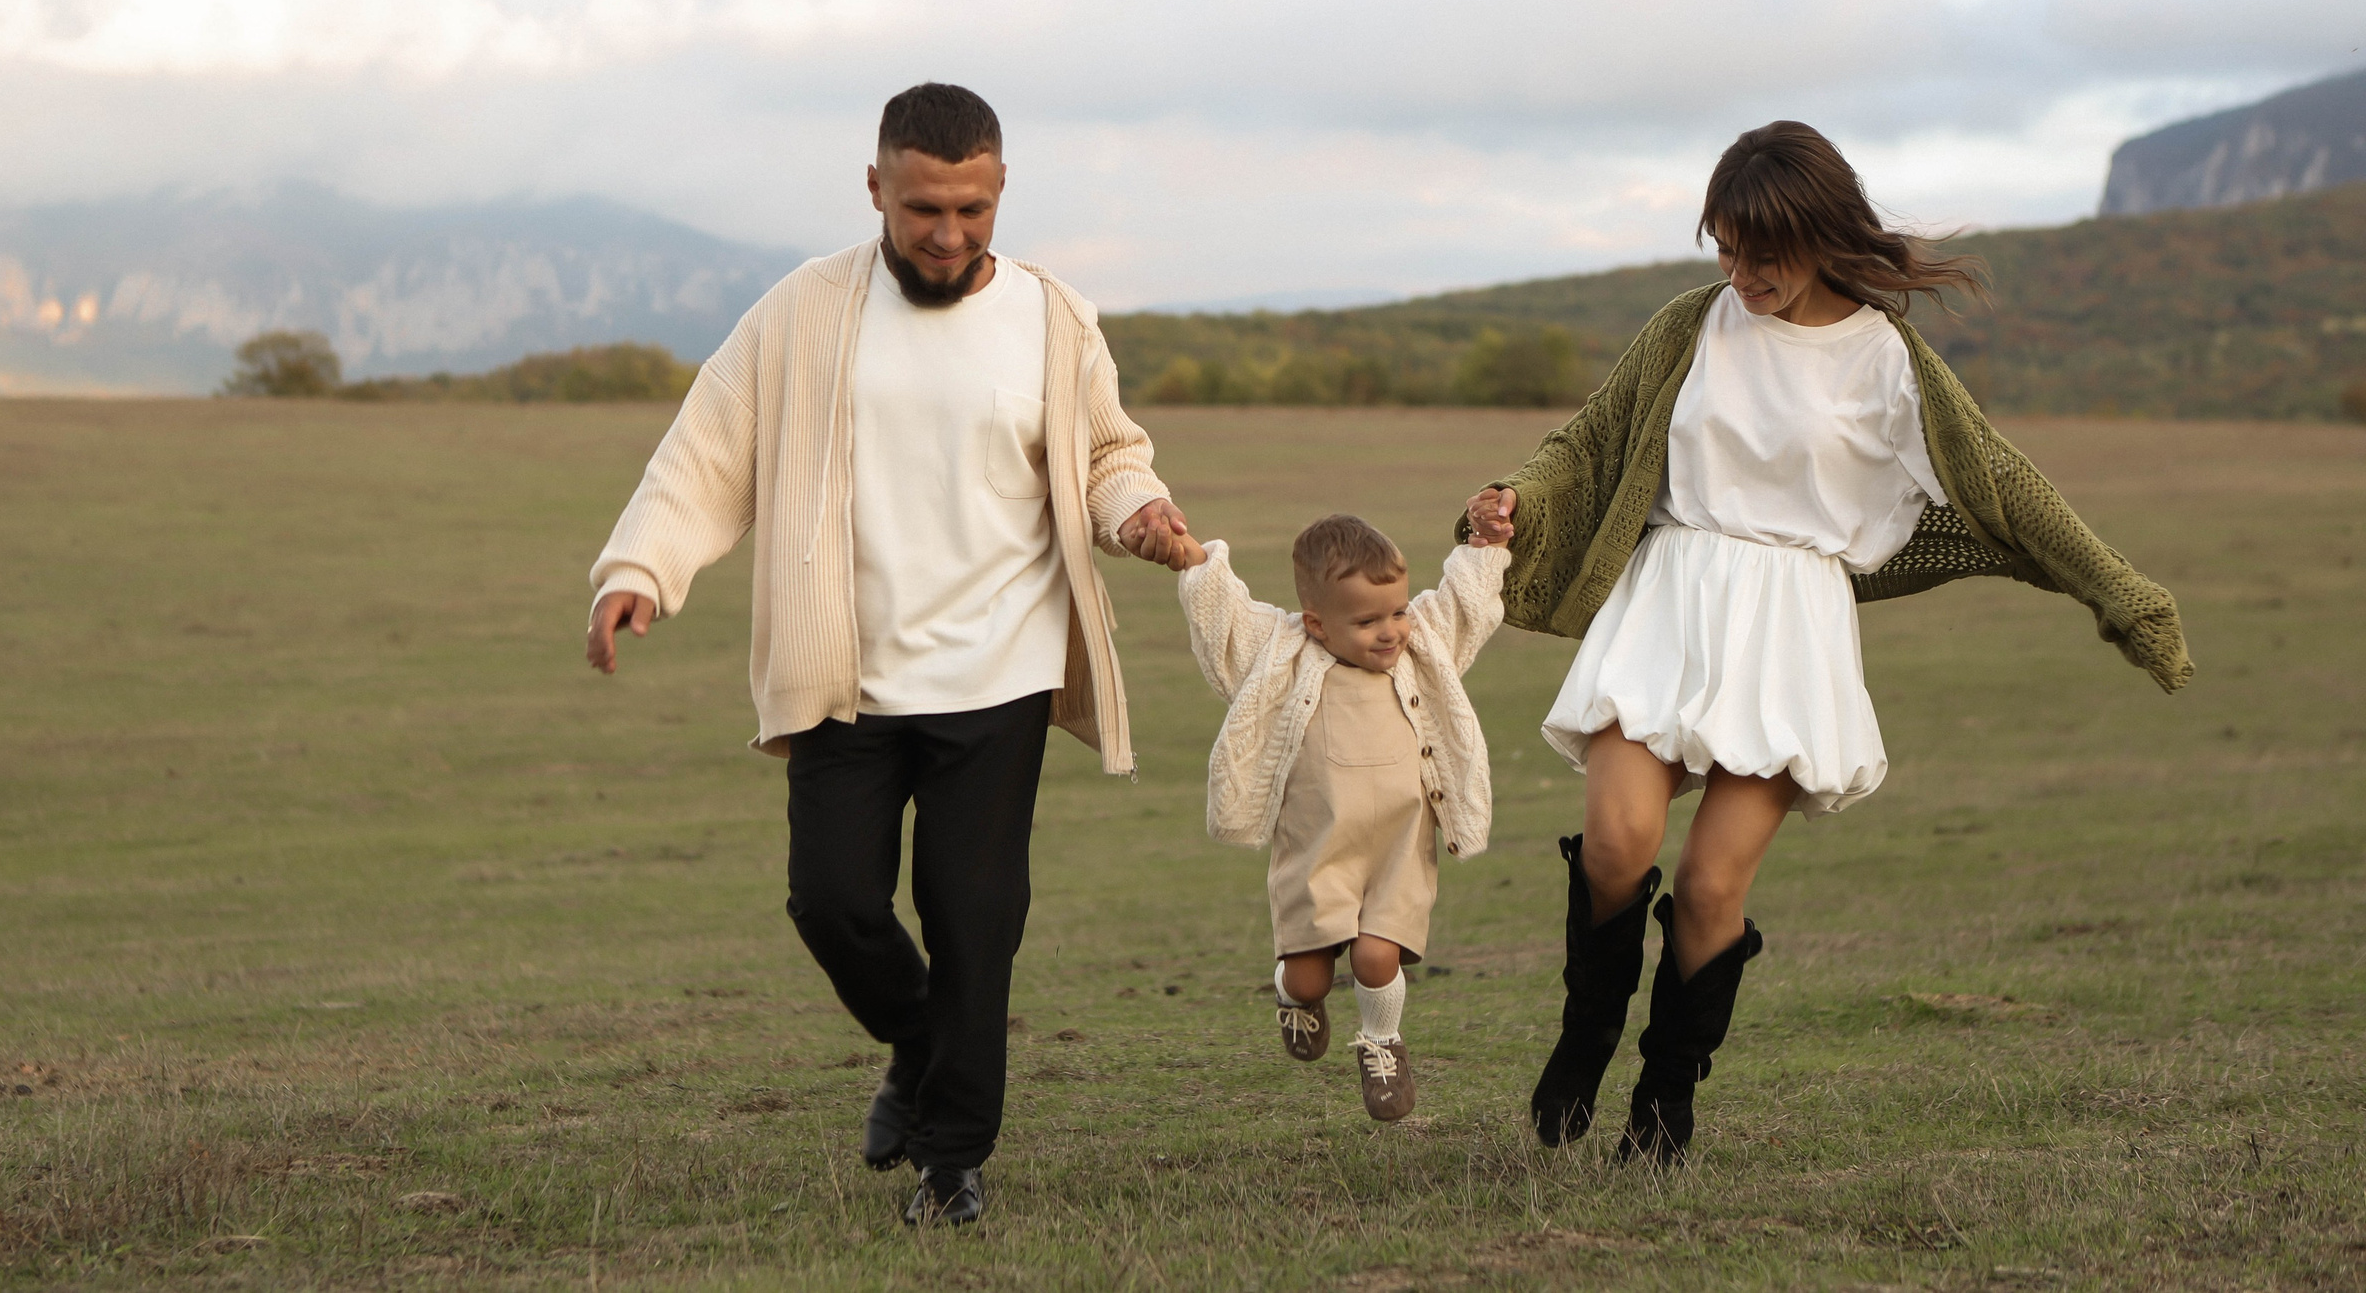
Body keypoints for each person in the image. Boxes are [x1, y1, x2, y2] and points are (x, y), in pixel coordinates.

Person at [1463, 121, 2193, 1165]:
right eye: (1724, 248)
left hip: (1787, 628)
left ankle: (1666, 1095)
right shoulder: (1690, 325)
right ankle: (1585, 1038)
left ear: (1821, 236)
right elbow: (1587, 440)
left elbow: (2002, 483)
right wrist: (1518, 501)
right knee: (1619, 843)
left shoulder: (1885, 360)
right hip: (1669, 602)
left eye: (1763, 255)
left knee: (1712, 886)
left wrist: (2121, 594)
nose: (1741, 274)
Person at [583, 82, 1191, 1227]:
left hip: (997, 673)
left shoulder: (1056, 318)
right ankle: (919, 1045)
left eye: (971, 210)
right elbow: (706, 451)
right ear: (876, 188)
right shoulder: (802, 313)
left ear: (1000, 191)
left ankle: (952, 1163)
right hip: (845, 671)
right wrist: (639, 572)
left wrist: (1141, 514)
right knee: (834, 904)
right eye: (923, 210)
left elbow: (1109, 450)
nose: (949, 235)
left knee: (973, 916)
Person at [1171, 500, 1513, 1120]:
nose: (1390, 631)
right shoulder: (1285, 655)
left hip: (1398, 846)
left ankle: (1382, 1044)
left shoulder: (1420, 651)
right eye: (1366, 621)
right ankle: (1295, 998)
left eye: (1399, 612)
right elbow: (1227, 621)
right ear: (1318, 625)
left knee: (1377, 956)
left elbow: (1463, 606)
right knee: (1308, 978)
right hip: (1317, 848)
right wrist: (1195, 561)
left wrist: (1484, 548)